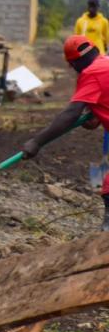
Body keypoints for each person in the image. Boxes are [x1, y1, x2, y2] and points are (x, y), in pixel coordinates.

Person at [23, 35, 109, 230]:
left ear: (75, 62)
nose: (73, 70)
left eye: (72, 65)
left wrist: (37, 142)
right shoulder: (105, 63)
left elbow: (70, 114)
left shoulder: (91, 73)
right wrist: (95, 115)